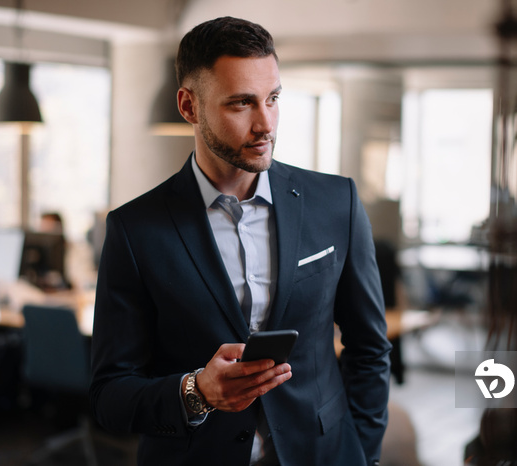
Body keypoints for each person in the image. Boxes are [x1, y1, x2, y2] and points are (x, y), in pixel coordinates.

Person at [90, 16, 391, 466]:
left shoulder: (337, 203)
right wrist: (198, 393)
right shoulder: (135, 230)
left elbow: (369, 348)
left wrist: (362, 453)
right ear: (189, 106)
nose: (265, 123)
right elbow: (110, 395)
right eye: (241, 104)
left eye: (273, 99)